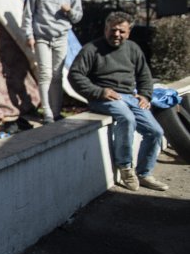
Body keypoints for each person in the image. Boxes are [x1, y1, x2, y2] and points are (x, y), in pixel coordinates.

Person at [68, 11, 168, 192]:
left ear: (129, 32)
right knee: (127, 119)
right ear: (105, 29)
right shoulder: (92, 49)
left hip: (130, 96)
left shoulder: (133, 48)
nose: (116, 35)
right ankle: (126, 167)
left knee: (156, 131)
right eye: (113, 30)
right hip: (103, 98)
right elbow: (75, 75)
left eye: (122, 31)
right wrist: (99, 91)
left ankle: (144, 173)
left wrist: (145, 95)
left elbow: (144, 74)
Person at [22, 0, 83, 124]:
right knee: (45, 74)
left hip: (61, 38)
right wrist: (29, 35)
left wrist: (69, 11)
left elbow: (78, 17)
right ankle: (47, 112)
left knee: (57, 76)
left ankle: (56, 112)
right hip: (42, 37)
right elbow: (27, 15)